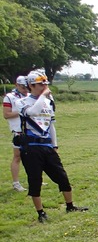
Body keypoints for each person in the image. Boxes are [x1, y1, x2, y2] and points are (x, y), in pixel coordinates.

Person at [16, 71, 88, 222]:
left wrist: (54, 145)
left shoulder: (48, 102)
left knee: (62, 177)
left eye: (45, 84)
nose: (44, 87)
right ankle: (41, 213)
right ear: (31, 85)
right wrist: (43, 96)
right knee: (35, 180)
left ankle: (70, 205)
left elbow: (51, 125)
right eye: (41, 84)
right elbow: (32, 112)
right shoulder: (22, 102)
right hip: (31, 147)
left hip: (47, 146)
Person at [3, 75, 29, 191]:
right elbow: (6, 114)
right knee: (17, 156)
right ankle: (16, 183)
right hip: (18, 131)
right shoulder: (10, 97)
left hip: (30, 129)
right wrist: (21, 111)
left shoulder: (30, 96)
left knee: (33, 156)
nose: (25, 89)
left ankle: (34, 178)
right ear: (16, 85)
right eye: (22, 87)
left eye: (26, 87)